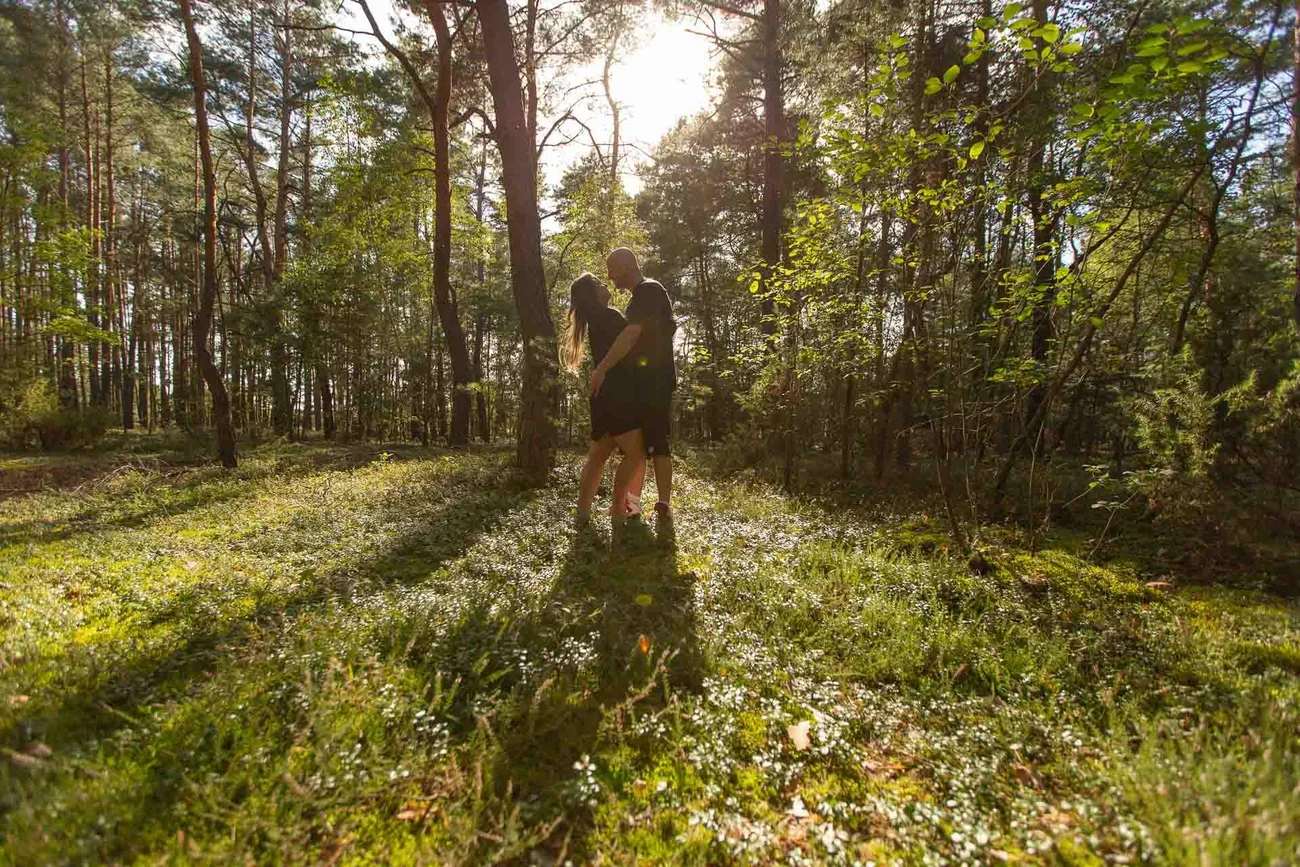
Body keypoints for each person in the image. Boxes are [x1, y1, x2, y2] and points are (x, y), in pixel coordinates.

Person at [589, 248, 676, 526]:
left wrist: (602, 369)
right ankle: (632, 505)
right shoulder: (640, 296)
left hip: (655, 381)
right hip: (641, 381)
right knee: (641, 444)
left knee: (657, 441)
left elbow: (630, 335)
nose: (610, 276)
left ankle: (663, 505)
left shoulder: (649, 290)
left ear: (626, 266)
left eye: (612, 269)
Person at [566, 272, 645, 528]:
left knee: (598, 455)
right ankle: (617, 511)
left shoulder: (595, 321)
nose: (605, 284)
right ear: (593, 294)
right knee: (636, 453)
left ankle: (582, 514)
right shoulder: (610, 316)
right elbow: (632, 345)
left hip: (601, 394)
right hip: (618, 393)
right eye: (599, 283)